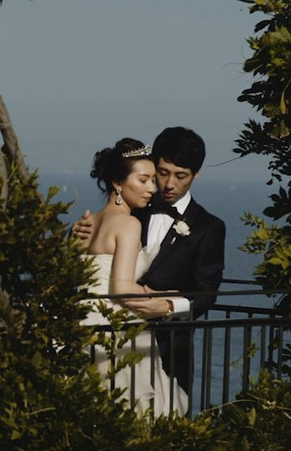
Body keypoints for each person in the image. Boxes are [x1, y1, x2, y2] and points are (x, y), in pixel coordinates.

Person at [73, 126, 226, 394]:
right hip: (110, 334)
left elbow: (207, 292)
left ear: (196, 174)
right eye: (163, 173)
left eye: (181, 176)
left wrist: (167, 305)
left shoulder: (208, 227)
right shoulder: (135, 208)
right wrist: (75, 231)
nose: (168, 184)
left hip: (168, 347)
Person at [77, 137, 188, 416]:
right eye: (143, 180)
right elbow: (121, 289)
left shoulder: (86, 224)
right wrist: (166, 299)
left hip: (79, 325)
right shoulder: (127, 224)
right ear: (118, 182)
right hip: (114, 330)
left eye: (153, 179)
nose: (153, 188)